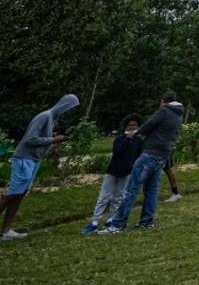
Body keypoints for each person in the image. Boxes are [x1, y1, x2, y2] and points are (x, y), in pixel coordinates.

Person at [98, 91, 183, 234]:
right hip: (162, 156)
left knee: (131, 189)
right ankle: (147, 221)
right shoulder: (178, 114)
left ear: (163, 101)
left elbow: (148, 125)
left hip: (150, 153)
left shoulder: (164, 111)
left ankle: (118, 224)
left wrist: (134, 133)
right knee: (151, 190)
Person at [1, 94, 78, 241]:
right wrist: (54, 140)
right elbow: (30, 139)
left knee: (19, 194)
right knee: (11, 195)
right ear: (63, 106)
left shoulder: (52, 120)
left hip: (34, 160)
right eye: (69, 109)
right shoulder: (44, 116)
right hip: (25, 158)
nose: (69, 112)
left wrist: (53, 136)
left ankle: (5, 230)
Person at [83, 113, 144, 233]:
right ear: (125, 126)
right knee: (104, 196)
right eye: (130, 125)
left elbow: (138, 156)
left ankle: (111, 218)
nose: (132, 127)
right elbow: (117, 152)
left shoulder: (138, 141)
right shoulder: (120, 139)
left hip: (127, 172)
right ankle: (95, 221)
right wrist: (128, 139)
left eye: (135, 125)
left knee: (118, 197)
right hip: (112, 171)